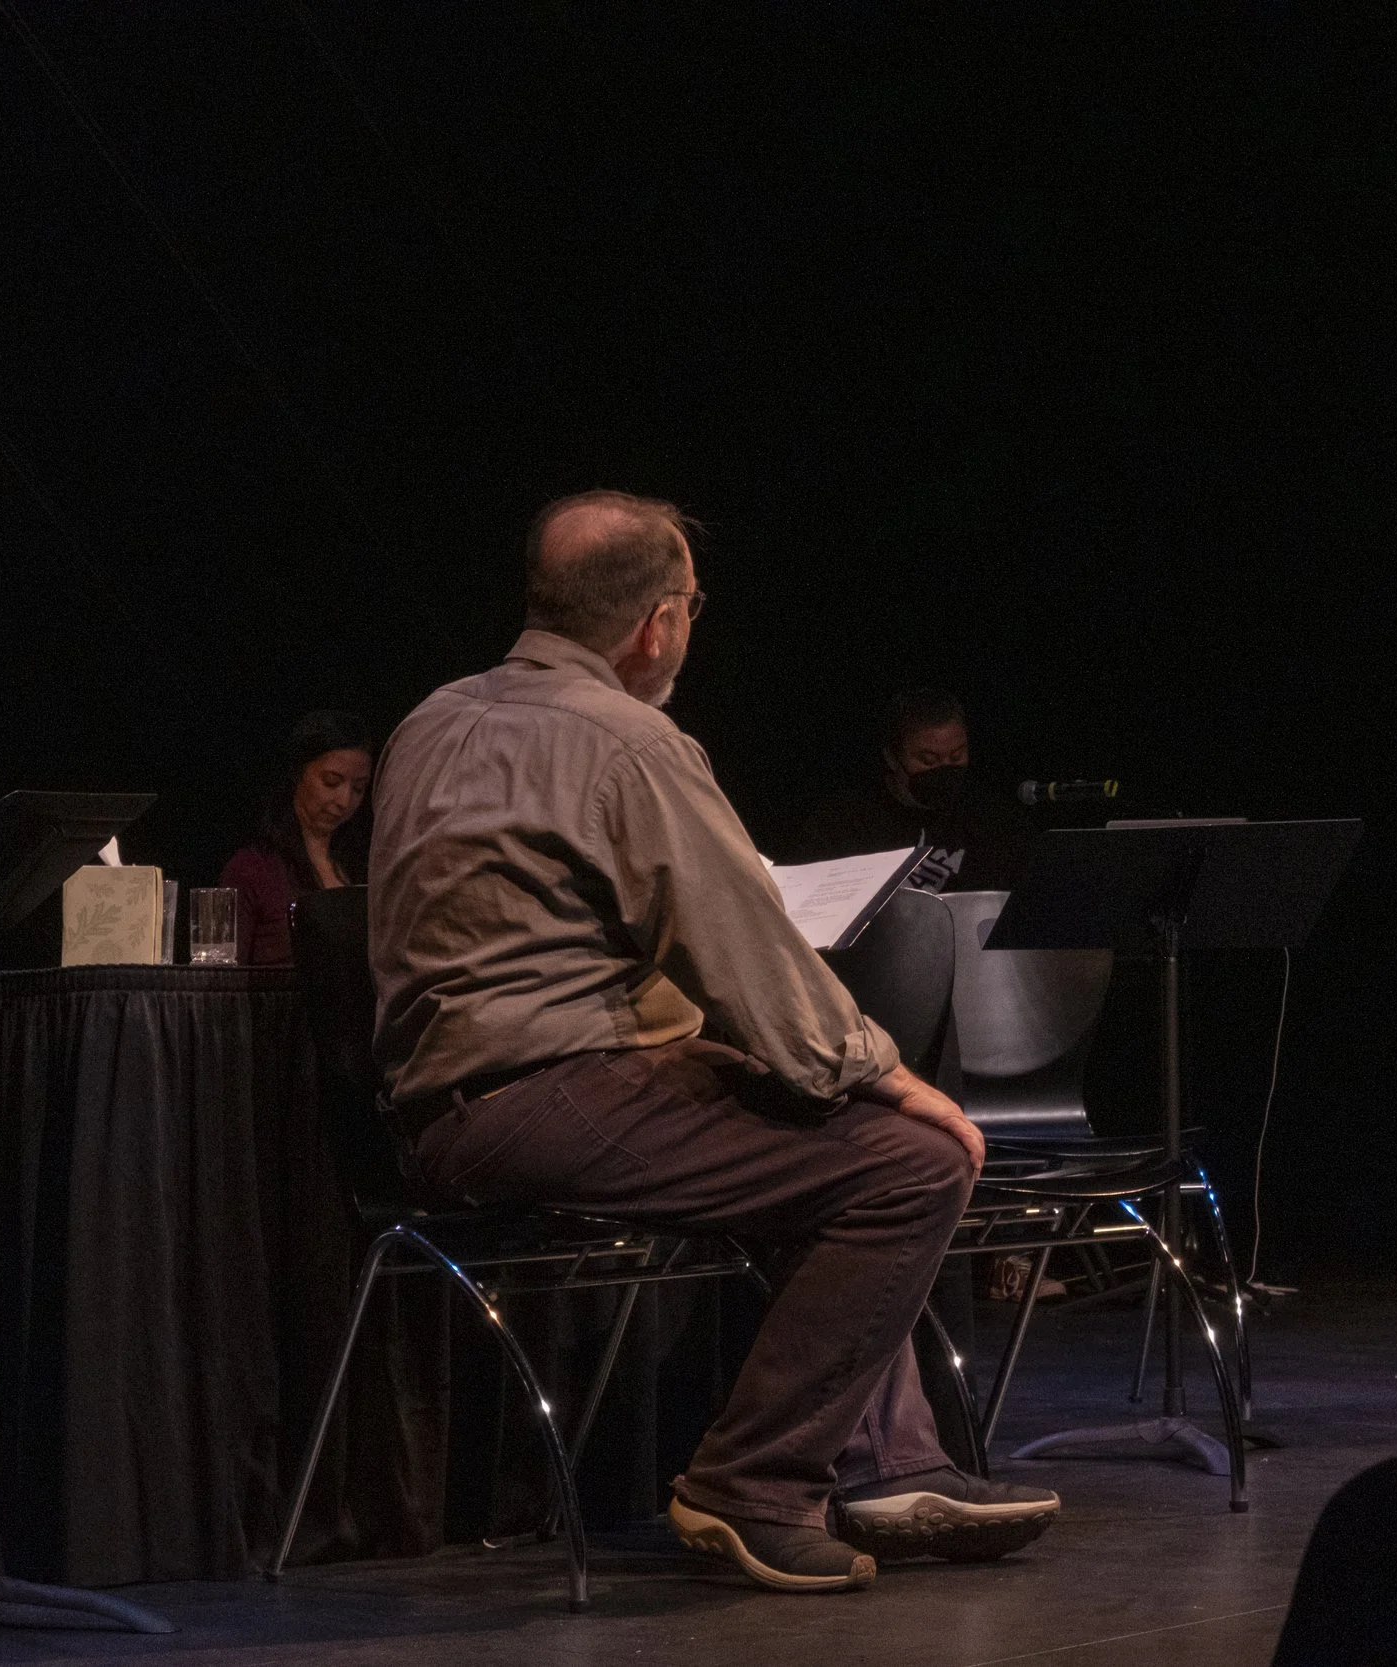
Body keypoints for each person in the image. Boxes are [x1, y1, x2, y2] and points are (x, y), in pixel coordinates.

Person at [368, 491, 1058, 1593]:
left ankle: (890, 1464)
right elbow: (744, 950)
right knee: (912, 1162)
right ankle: (752, 1483)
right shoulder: (629, 740)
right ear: (656, 623)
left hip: (441, 1109)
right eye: (691, 604)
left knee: (814, 1142)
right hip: (546, 1094)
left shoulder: (429, 718)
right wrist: (889, 1077)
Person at [795, 688, 1033, 892]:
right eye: (928, 761)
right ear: (892, 757)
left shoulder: (991, 818)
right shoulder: (843, 824)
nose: (943, 770)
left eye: (956, 756)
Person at [219, 709, 376, 965]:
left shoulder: (364, 865)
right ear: (298, 773)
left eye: (358, 788)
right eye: (331, 782)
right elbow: (225, 978)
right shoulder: (252, 869)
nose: (345, 801)